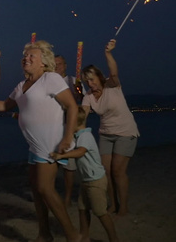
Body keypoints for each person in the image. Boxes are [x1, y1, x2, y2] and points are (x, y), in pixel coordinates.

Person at [0, 40, 81, 242]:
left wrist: (68, 137)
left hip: (51, 143)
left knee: (45, 188)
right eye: (25, 56)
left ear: (43, 62)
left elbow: (72, 107)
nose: (27, 58)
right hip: (34, 145)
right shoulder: (21, 86)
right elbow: (5, 106)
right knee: (37, 190)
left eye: (32, 56)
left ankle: (72, 235)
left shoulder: (50, 78)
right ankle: (44, 233)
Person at [81, 39, 139, 216]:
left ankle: (124, 207)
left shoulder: (111, 85)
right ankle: (113, 204)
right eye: (86, 81)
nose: (90, 84)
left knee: (117, 171)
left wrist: (108, 53)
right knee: (106, 171)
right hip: (106, 135)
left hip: (125, 132)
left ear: (99, 76)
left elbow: (114, 72)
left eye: (92, 79)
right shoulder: (88, 96)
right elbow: (81, 117)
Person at [51, 106, 119, 242]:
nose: (66, 125)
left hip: (95, 181)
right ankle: (84, 236)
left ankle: (114, 239)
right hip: (86, 180)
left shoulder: (85, 136)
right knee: (82, 209)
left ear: (74, 122)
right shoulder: (78, 136)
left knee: (100, 212)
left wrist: (60, 156)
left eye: (68, 122)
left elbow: (81, 151)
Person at [54, 54, 86, 207]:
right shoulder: (49, 82)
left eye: (59, 64)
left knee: (69, 165)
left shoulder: (73, 81)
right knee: (52, 162)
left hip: (69, 126)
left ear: (65, 65)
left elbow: (83, 102)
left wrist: (79, 92)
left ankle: (67, 197)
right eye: (54, 64)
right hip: (53, 126)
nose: (57, 67)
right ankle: (51, 194)